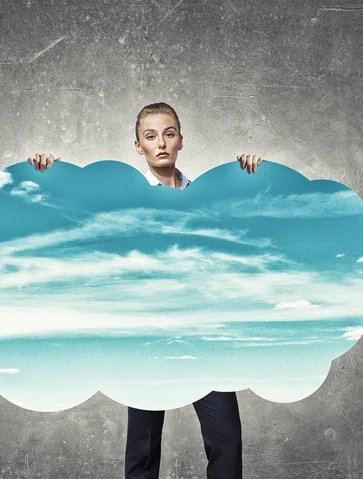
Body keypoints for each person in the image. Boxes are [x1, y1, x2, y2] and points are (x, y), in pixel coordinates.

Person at [28, 102, 265, 479]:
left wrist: (252, 176)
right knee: (143, 446)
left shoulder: (208, 197)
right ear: (138, 145)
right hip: (145, 339)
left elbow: (254, 225)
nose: (161, 144)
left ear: (181, 140)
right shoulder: (124, 201)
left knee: (227, 442)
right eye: (151, 136)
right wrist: (49, 176)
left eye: (169, 134)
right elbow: (73, 216)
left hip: (204, 337)